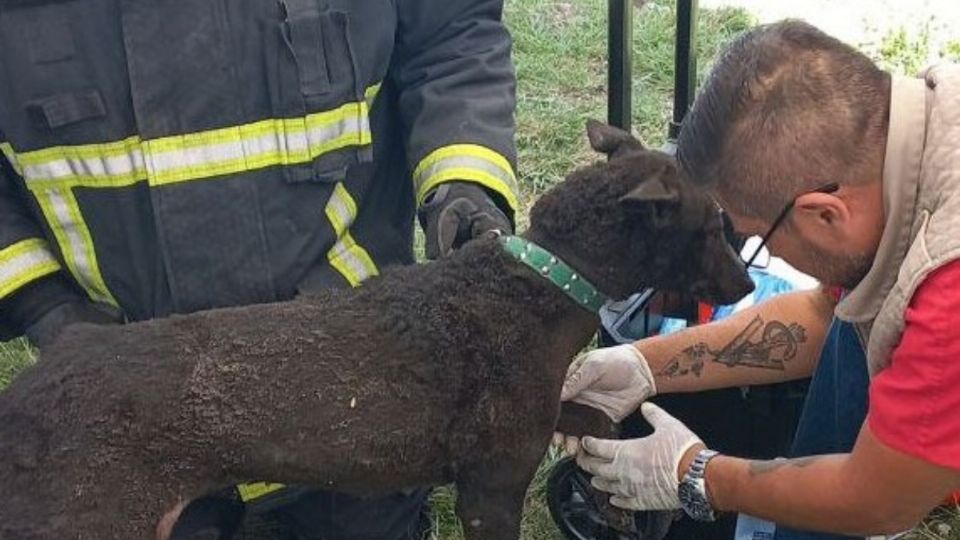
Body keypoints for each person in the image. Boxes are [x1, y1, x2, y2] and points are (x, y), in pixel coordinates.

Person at [0, 1, 518, 538]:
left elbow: (449, 33)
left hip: (358, 377)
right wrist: (41, 303)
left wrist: (463, 182)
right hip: (133, 412)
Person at [558, 20, 960, 539]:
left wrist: (694, 474)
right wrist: (645, 365)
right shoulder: (918, 137)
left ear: (823, 215)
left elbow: (879, 501)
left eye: (755, 236)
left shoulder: (948, 291)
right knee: (851, 324)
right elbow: (821, 314)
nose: (758, 252)